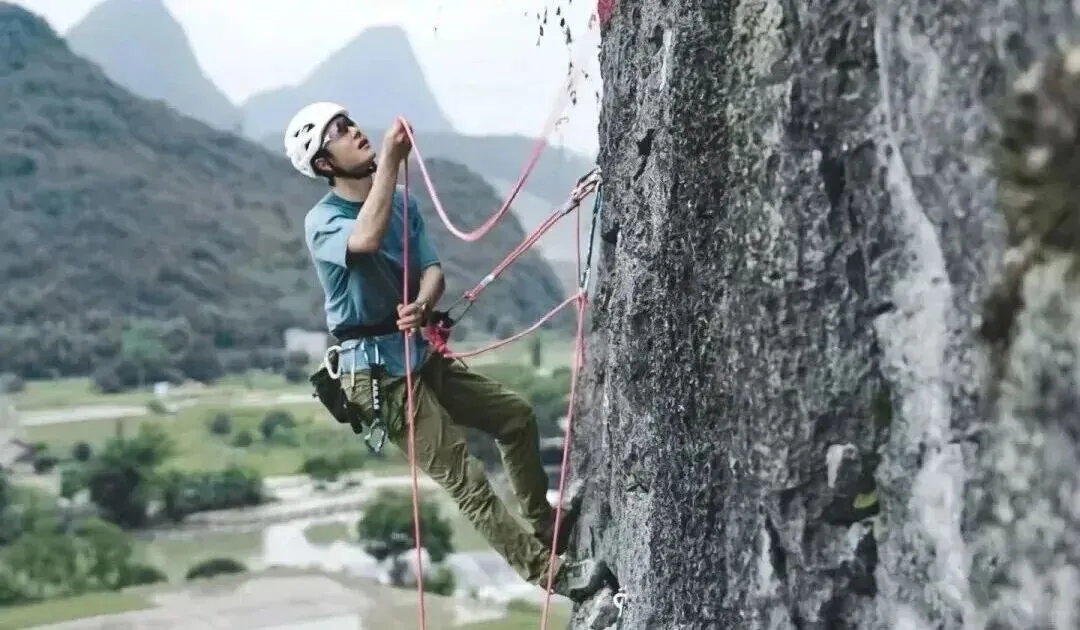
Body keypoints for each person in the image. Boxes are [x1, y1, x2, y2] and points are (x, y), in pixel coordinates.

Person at [283, 101, 612, 602]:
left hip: (416, 352)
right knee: (467, 479)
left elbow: (433, 270)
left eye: (350, 123)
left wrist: (421, 303)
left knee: (515, 417)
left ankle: (546, 526)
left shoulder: (403, 203)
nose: (354, 131)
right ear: (324, 164)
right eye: (339, 133)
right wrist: (391, 161)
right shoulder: (323, 221)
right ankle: (554, 575)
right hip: (376, 376)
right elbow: (365, 239)